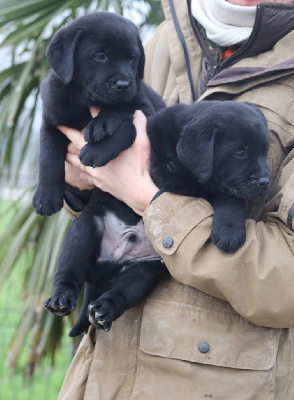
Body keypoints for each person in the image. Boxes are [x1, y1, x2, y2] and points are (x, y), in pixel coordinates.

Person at [58, 0, 294, 398]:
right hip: (105, 379)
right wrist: (79, 183)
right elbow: (110, 190)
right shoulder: (163, 39)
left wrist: (149, 200)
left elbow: (286, 281)